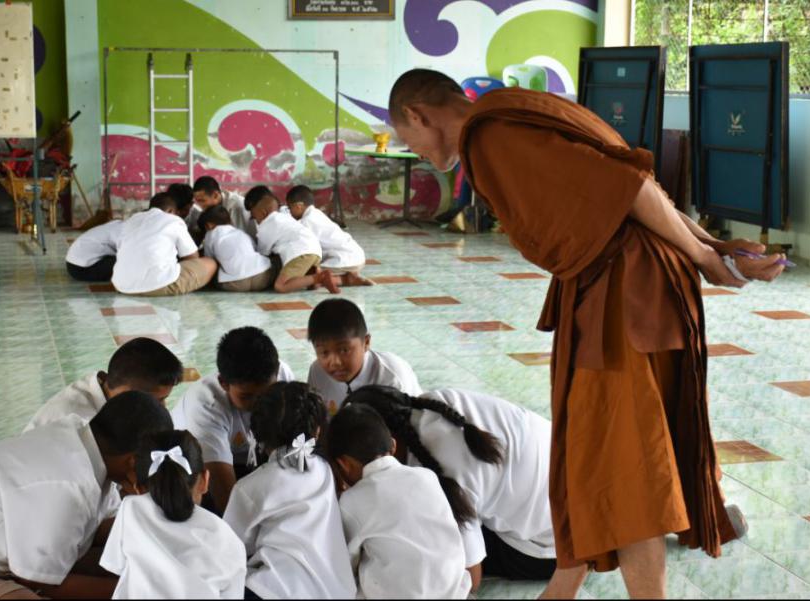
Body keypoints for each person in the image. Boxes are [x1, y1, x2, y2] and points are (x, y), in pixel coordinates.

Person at [386, 68, 779, 598]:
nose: (413, 151)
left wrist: (708, 256)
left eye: (407, 138)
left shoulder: (492, 134)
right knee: (596, 446)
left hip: (623, 294)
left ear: (417, 114)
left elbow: (628, 187)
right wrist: (710, 247)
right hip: (623, 286)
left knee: (626, 461)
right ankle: (562, 588)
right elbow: (634, 186)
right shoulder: (513, 109)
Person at [0, 392, 173, 600]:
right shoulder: (66, 483)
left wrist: (158, 533)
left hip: (13, 562)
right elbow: (39, 582)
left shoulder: (84, 440)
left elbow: (101, 524)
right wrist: (140, 592)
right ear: (132, 462)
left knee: (132, 559)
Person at [344, 386, 573, 594]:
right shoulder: (433, 404)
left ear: (391, 445)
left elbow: (472, 578)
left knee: (424, 549)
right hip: (573, 482)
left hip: (553, 547)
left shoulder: (444, 474)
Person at [223, 382, 357, 600]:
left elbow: (231, 545)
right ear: (317, 431)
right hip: (338, 591)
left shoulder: (250, 487)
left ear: (256, 434)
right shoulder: (325, 470)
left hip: (277, 590)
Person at [327, 403, 472, 599]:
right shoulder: (426, 476)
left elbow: (345, 567)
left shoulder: (352, 501)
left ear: (344, 464)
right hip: (455, 591)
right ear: (393, 445)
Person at [100, 430, 247, 599]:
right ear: (205, 481)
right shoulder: (228, 538)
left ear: (138, 488)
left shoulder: (130, 509)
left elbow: (116, 565)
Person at [171, 327, 295, 514]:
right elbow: (225, 496)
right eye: (247, 396)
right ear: (223, 383)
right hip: (194, 469)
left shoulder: (282, 378)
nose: (258, 404)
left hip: (248, 460)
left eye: (266, 394)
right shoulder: (205, 406)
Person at [25, 337, 183, 432]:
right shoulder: (80, 422)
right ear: (127, 393)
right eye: (159, 400)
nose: (163, 407)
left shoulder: (108, 389)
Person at [306, 298, 421, 414]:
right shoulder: (317, 372)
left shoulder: (392, 378)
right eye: (324, 352)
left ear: (366, 342)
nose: (335, 362)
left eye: (344, 350)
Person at [111, 192, 217, 296]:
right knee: (211, 263)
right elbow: (193, 257)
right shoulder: (173, 220)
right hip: (159, 285)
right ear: (171, 211)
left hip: (121, 286)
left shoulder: (130, 221)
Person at [246, 185, 338, 294]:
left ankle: (320, 278)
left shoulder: (264, 227)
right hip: (316, 250)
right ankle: (315, 277)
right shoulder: (284, 217)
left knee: (281, 286)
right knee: (309, 284)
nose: (254, 220)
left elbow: (263, 253)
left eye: (254, 216)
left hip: (300, 252)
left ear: (263, 212)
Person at [285, 185, 372, 287]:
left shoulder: (306, 222)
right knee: (311, 273)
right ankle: (347, 276)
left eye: (289, 208)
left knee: (306, 275)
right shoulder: (316, 213)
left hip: (345, 259)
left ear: (299, 206)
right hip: (356, 256)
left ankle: (346, 280)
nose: (289, 212)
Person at [199, 205, 277, 292]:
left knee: (211, 269)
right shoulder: (240, 232)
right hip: (261, 278)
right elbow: (255, 249)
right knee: (273, 263)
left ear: (209, 225)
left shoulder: (210, 234)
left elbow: (209, 259)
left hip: (237, 284)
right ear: (230, 220)